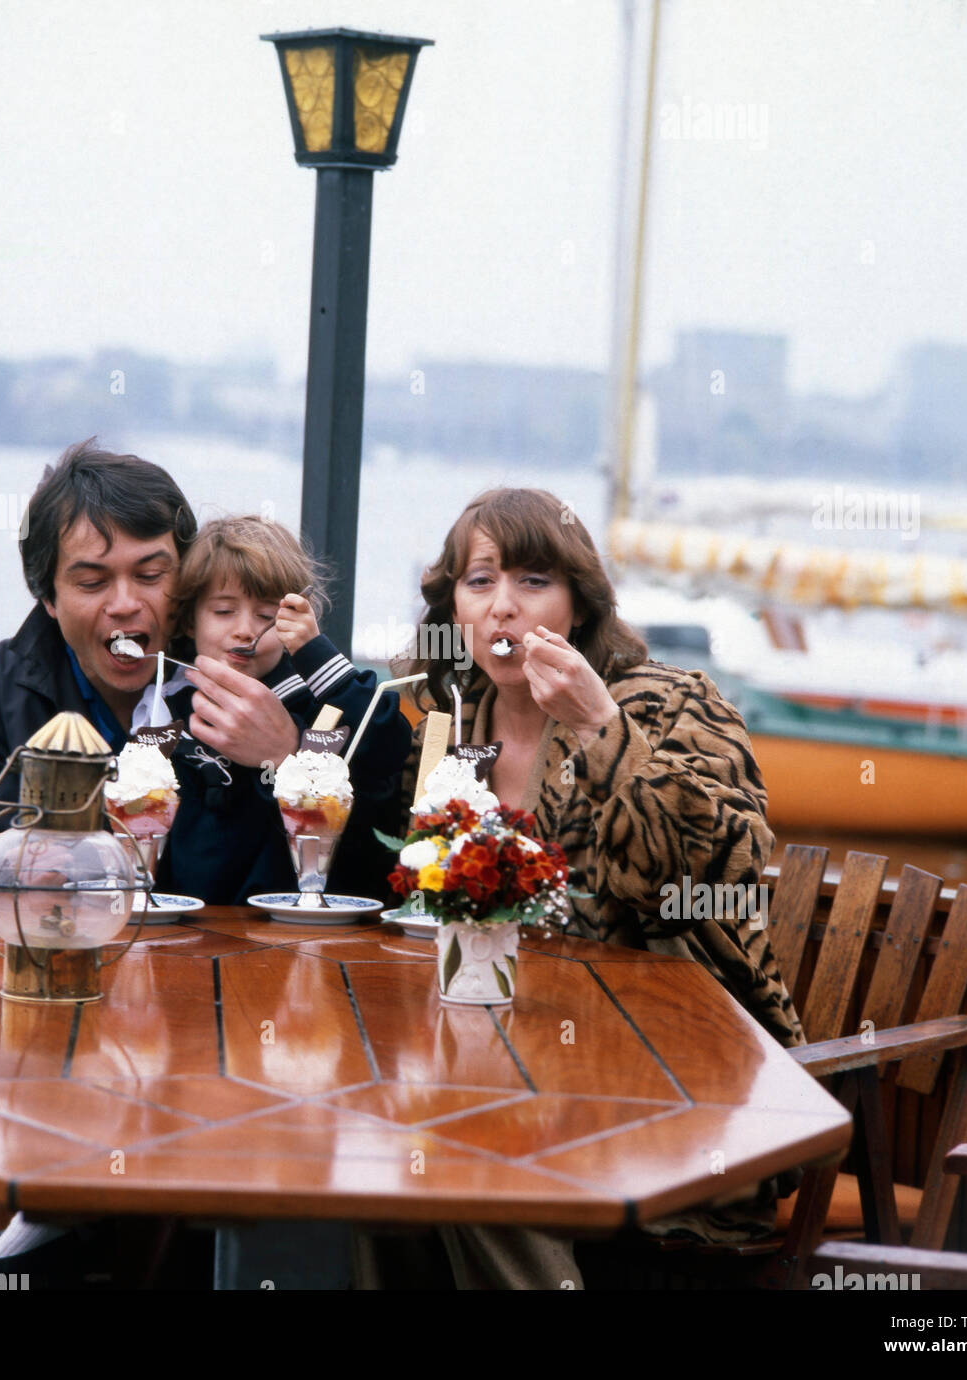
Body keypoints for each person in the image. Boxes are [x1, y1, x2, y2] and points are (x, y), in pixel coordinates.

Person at [376, 487, 802, 1287]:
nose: (503, 606)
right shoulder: (447, 726)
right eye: (479, 582)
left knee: (471, 1163)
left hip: (679, 1089)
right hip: (493, 1063)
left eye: (534, 581)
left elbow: (712, 873)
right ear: (453, 608)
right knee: (381, 1170)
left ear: (580, 604)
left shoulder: (675, 705)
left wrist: (602, 726)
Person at [0, 437, 199, 921]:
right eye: (92, 583)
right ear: (47, 598)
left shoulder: (235, 683)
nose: (124, 604)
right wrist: (19, 875)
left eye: (151, 575)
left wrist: (280, 753)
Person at [157, 513, 410, 905]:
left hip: (298, 920)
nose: (244, 629)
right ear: (190, 620)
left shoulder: (313, 700)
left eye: (266, 616)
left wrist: (316, 655)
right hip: (193, 925)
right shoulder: (165, 707)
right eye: (224, 611)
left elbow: (387, 743)